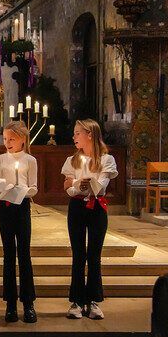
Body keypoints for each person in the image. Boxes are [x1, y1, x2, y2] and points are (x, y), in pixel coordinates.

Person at [61, 119, 118, 320]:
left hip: (96, 209)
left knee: (94, 255)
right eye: (74, 133)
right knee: (78, 255)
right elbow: (68, 189)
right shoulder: (72, 160)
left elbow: (100, 186)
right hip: (77, 207)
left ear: (90, 135)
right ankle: (76, 301)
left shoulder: (106, 159)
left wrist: (80, 184)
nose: (74, 137)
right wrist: (78, 186)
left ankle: (93, 301)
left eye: (78, 133)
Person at [0, 121, 38, 323]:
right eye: (5, 139)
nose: (7, 142)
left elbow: (34, 187)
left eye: (11, 139)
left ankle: (28, 303)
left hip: (22, 208)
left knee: (24, 254)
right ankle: (10, 304)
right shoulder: (0, 159)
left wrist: (23, 190)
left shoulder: (30, 160)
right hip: (6, 208)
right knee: (9, 254)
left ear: (22, 139)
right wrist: (5, 188)